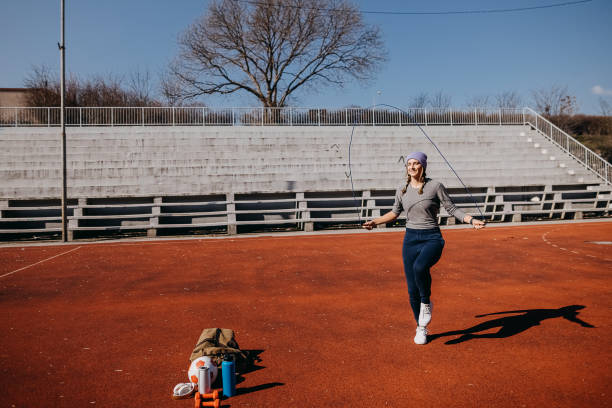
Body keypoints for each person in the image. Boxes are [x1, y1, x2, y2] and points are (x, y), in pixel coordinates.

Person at [362, 152, 485, 345]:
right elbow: (394, 213)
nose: (411, 167)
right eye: (409, 164)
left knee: (420, 268)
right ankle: (421, 327)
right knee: (412, 290)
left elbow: (452, 209)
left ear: (423, 166)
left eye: (416, 163)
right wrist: (374, 222)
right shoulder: (402, 189)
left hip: (432, 238)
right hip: (410, 239)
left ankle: (426, 303)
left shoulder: (435, 186)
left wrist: (471, 220)